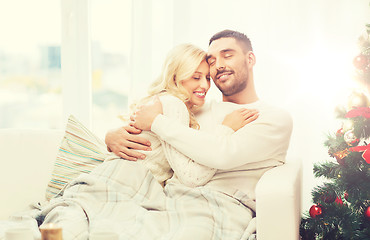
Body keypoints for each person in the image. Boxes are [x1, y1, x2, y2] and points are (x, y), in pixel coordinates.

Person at [0, 43, 258, 240]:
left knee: (77, 220)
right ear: (176, 77)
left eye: (208, 78)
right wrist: (225, 130)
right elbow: (192, 177)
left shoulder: (162, 103)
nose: (204, 84)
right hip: (125, 180)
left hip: (110, 175)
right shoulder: (174, 105)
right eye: (195, 77)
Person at [105, 29, 293, 239]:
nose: (218, 65)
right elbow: (150, 137)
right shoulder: (192, 109)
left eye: (227, 55)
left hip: (220, 206)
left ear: (250, 59)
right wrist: (111, 136)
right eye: (211, 61)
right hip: (166, 201)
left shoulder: (273, 118)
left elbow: (224, 153)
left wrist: (157, 122)